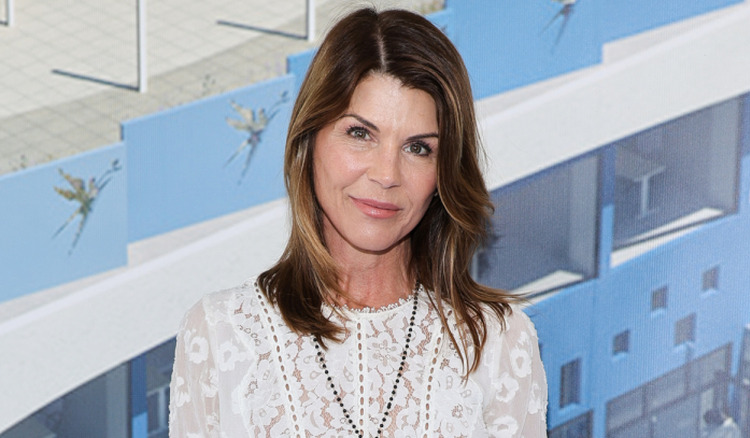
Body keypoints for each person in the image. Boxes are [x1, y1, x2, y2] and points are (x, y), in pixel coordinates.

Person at [169, 7, 547, 437]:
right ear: (310, 139)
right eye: (360, 134)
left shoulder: (498, 342)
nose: (387, 174)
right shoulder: (220, 334)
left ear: (443, 174)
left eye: (418, 148)